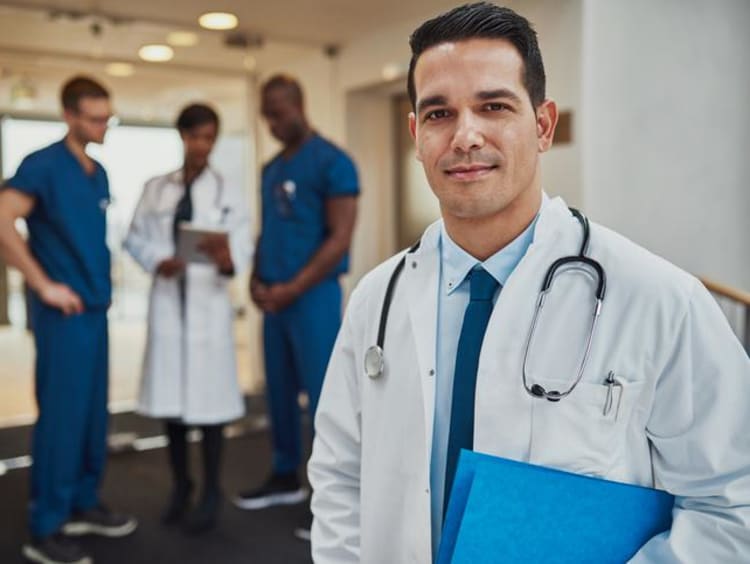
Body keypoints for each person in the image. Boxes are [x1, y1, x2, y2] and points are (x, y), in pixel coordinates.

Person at [307, 3, 750, 563]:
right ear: (417, 135)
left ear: (542, 125)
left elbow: (733, 503)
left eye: (493, 106)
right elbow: (340, 473)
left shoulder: (660, 299)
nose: (465, 136)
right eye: (440, 114)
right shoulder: (378, 297)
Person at [0, 76, 137, 564]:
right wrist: (42, 285)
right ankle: (45, 526)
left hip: (95, 312)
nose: (104, 126)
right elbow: (3, 218)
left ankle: (82, 502)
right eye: (95, 118)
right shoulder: (42, 165)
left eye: (108, 117)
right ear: (69, 117)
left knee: (92, 416)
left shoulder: (96, 173)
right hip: (63, 315)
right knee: (61, 418)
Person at [233, 75, 359, 538]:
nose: (271, 122)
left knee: (324, 398)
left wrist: (295, 287)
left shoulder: (333, 163)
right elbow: (267, 230)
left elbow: (340, 237)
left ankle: (334, 497)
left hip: (314, 299)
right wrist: (255, 278)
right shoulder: (271, 168)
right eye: (266, 114)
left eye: (278, 113)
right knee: (279, 391)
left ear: (299, 106)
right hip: (275, 300)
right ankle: (284, 474)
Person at [124, 103, 252, 534]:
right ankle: (182, 486)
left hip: (207, 306)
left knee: (211, 409)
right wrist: (156, 260)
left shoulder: (227, 191)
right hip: (168, 304)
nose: (202, 145)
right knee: (173, 410)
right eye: (196, 136)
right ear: (181, 136)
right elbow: (134, 237)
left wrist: (226, 258)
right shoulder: (156, 188)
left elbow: (241, 254)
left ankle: (212, 491)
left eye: (210, 137)